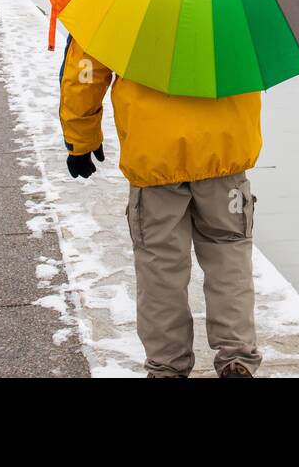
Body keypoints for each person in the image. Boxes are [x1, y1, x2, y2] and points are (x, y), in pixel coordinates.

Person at [59, 34, 262, 379]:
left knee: (160, 264)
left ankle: (167, 366)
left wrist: (81, 139)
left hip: (155, 158)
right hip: (224, 153)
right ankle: (236, 358)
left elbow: (86, 69)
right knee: (229, 255)